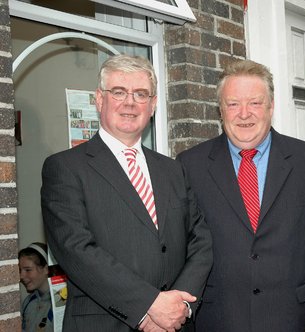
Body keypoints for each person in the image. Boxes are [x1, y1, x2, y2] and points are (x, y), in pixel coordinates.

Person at [41, 54, 212, 332]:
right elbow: (76, 250)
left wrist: (179, 305)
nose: (130, 102)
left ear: (153, 104)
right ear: (99, 99)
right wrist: (149, 307)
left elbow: (200, 241)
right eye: (118, 92)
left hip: (176, 323)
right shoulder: (65, 168)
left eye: (141, 94)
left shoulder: (173, 170)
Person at [177, 59, 305, 332]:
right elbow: (184, 248)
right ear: (220, 110)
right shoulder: (191, 165)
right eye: (233, 104)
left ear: (271, 107)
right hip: (217, 320)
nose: (244, 114)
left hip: (293, 319)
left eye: (255, 103)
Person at [19, 243, 53, 332]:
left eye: (28, 270)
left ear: (46, 269)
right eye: (20, 270)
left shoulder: (60, 303)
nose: (21, 276)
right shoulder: (28, 302)